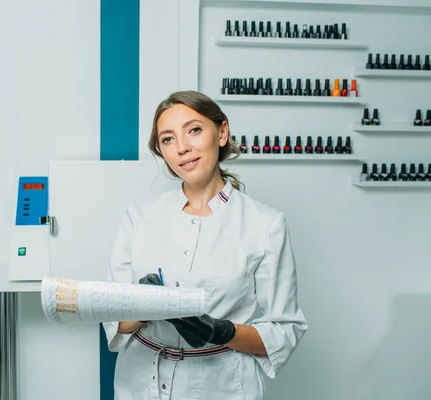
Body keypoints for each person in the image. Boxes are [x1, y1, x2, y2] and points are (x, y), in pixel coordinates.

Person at [102, 90, 308, 399]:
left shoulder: (265, 224)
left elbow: (284, 329)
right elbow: (111, 314)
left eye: (194, 130)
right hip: (139, 382)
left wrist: (223, 332)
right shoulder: (140, 216)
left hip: (221, 385)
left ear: (222, 132)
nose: (182, 148)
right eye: (168, 139)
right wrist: (141, 308)